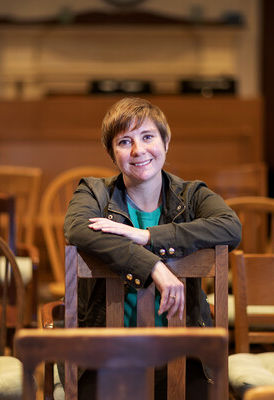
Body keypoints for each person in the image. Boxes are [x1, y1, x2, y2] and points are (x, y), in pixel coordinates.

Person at [64, 97, 242, 399]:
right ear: (112, 154)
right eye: (124, 141)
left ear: (166, 141)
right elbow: (76, 228)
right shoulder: (93, 192)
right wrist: (153, 267)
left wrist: (148, 236)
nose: (138, 150)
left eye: (148, 137)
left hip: (186, 354)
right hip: (105, 354)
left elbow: (230, 227)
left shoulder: (192, 194)